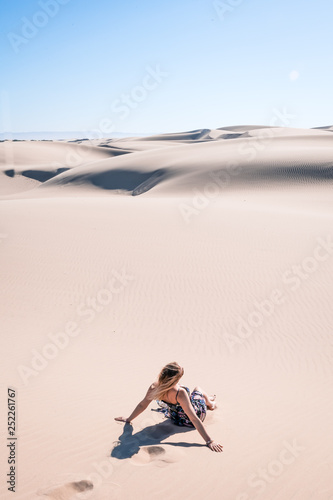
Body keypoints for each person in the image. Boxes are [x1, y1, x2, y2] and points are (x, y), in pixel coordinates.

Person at [115, 361, 223, 452]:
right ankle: (210, 403)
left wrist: (129, 419)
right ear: (175, 379)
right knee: (197, 389)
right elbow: (194, 418)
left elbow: (142, 405)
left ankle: (207, 400)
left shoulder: (155, 387)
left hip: (175, 419)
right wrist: (209, 441)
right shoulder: (180, 392)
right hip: (193, 419)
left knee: (193, 396)